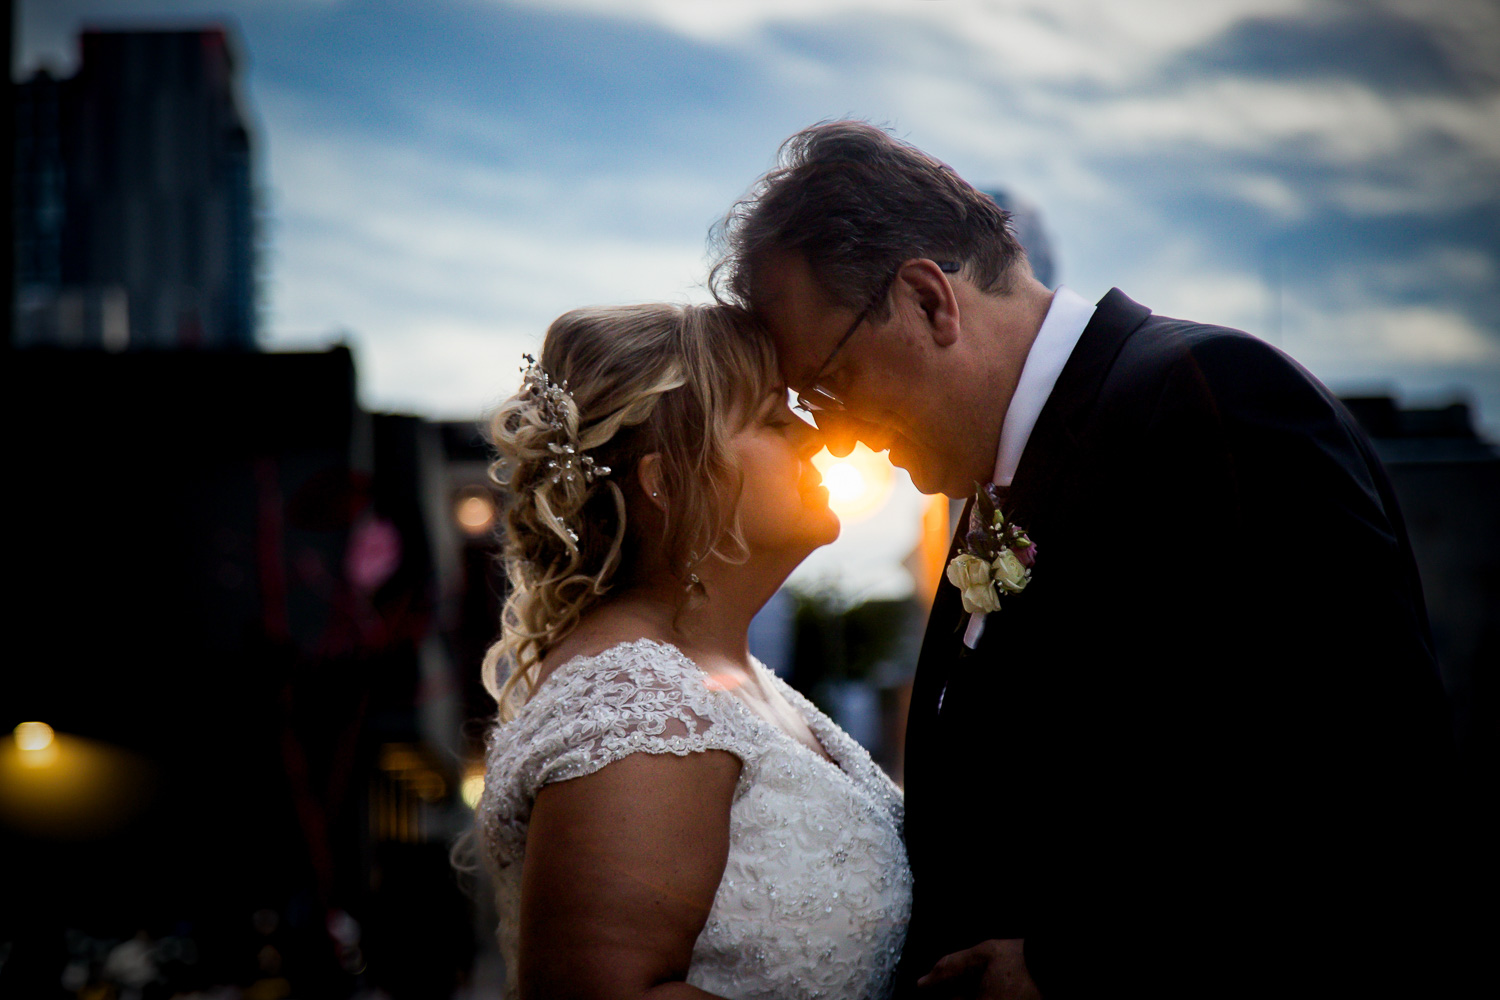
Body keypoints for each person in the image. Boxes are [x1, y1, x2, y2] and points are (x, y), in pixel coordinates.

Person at [709, 121, 1468, 998]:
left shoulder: (1210, 400)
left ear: (929, 301)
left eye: (829, 386)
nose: (833, 436)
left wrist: (1075, 966)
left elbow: (1366, 788)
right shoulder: (1001, 475)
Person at [474, 302, 911, 1000]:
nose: (816, 438)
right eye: (773, 420)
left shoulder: (731, 678)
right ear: (667, 483)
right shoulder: (639, 704)